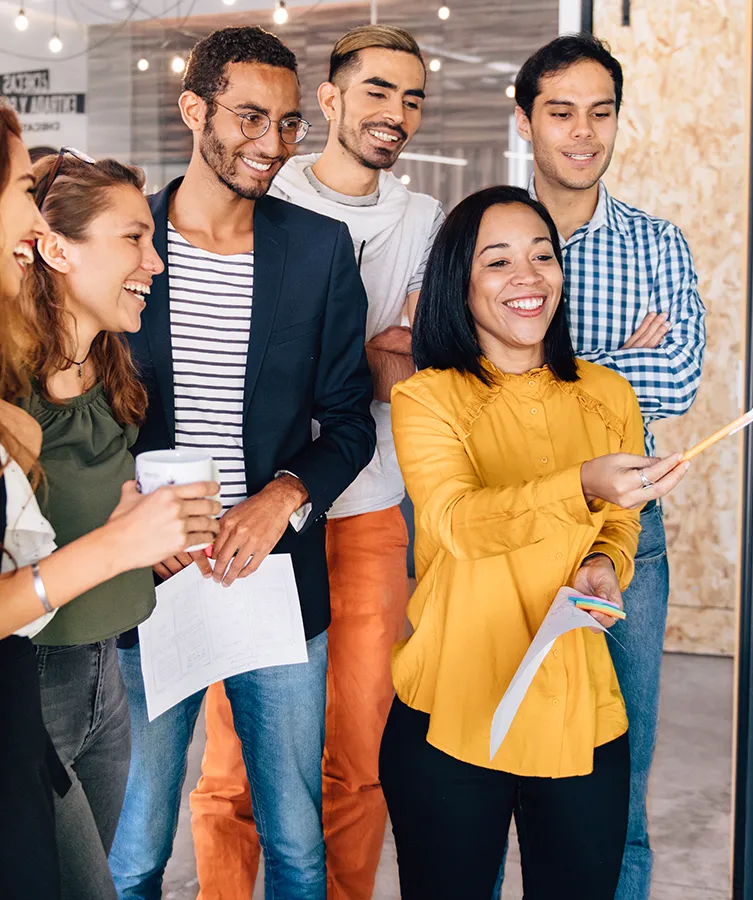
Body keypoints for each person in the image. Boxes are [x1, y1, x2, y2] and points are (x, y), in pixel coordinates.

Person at [108, 26, 375, 900]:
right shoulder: (128, 239)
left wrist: (283, 496)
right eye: (250, 117)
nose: (274, 143)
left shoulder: (319, 249)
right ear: (194, 110)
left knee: (296, 845)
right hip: (146, 579)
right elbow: (82, 405)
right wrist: (127, 520)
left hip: (275, 574)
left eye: (290, 123)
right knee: (132, 848)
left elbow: (349, 421)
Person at [189, 24, 443, 900]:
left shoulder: (423, 219)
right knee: (232, 757)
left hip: (367, 507)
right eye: (376, 90)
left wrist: (357, 367)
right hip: (252, 506)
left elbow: (418, 371)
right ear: (329, 99)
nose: (395, 112)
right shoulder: (264, 188)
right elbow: (357, 365)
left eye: (412, 98)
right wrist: (368, 359)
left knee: (356, 756)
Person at [379, 185, 690, 899]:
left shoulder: (609, 394)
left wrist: (605, 562)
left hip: (580, 706)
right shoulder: (427, 398)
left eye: (542, 256)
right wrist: (581, 481)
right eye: (498, 261)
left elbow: (620, 520)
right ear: (460, 285)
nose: (528, 276)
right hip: (454, 704)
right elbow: (457, 521)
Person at [0, 105, 219, 900]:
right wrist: (122, 542)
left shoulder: (118, 368)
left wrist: (149, 542)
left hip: (115, 662)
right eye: (134, 237)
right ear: (56, 249)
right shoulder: (11, 391)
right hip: (38, 671)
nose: (154, 261)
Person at [513, 34, 706, 900]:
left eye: (600, 112)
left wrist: (542, 369)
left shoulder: (658, 244)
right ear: (525, 122)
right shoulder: (484, 234)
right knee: (495, 763)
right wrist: (616, 363)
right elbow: (463, 381)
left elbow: (680, 378)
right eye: (561, 112)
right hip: (508, 525)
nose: (583, 132)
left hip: (627, 531)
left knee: (619, 776)